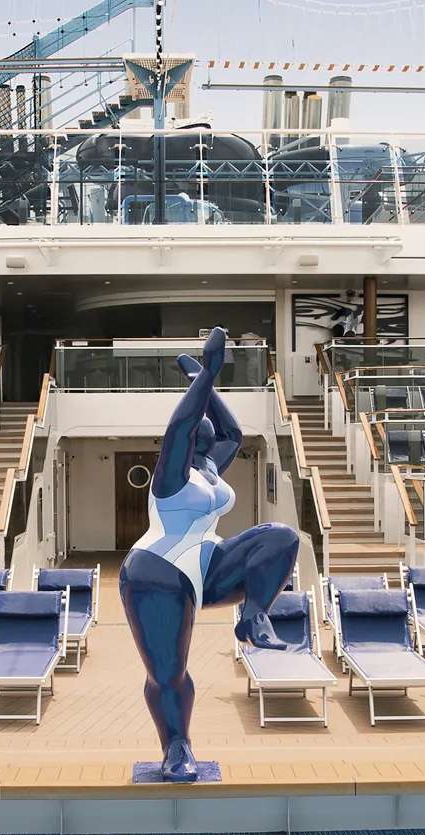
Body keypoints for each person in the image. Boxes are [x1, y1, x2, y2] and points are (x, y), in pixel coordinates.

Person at [120, 327, 300, 783]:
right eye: (200, 434)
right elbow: (179, 427)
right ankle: (176, 746)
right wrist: (208, 376)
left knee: (280, 538)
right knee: (168, 673)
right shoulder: (170, 474)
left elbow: (234, 432)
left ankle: (253, 617)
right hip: (157, 574)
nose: (206, 438)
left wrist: (207, 381)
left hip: (206, 563)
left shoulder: (207, 470)